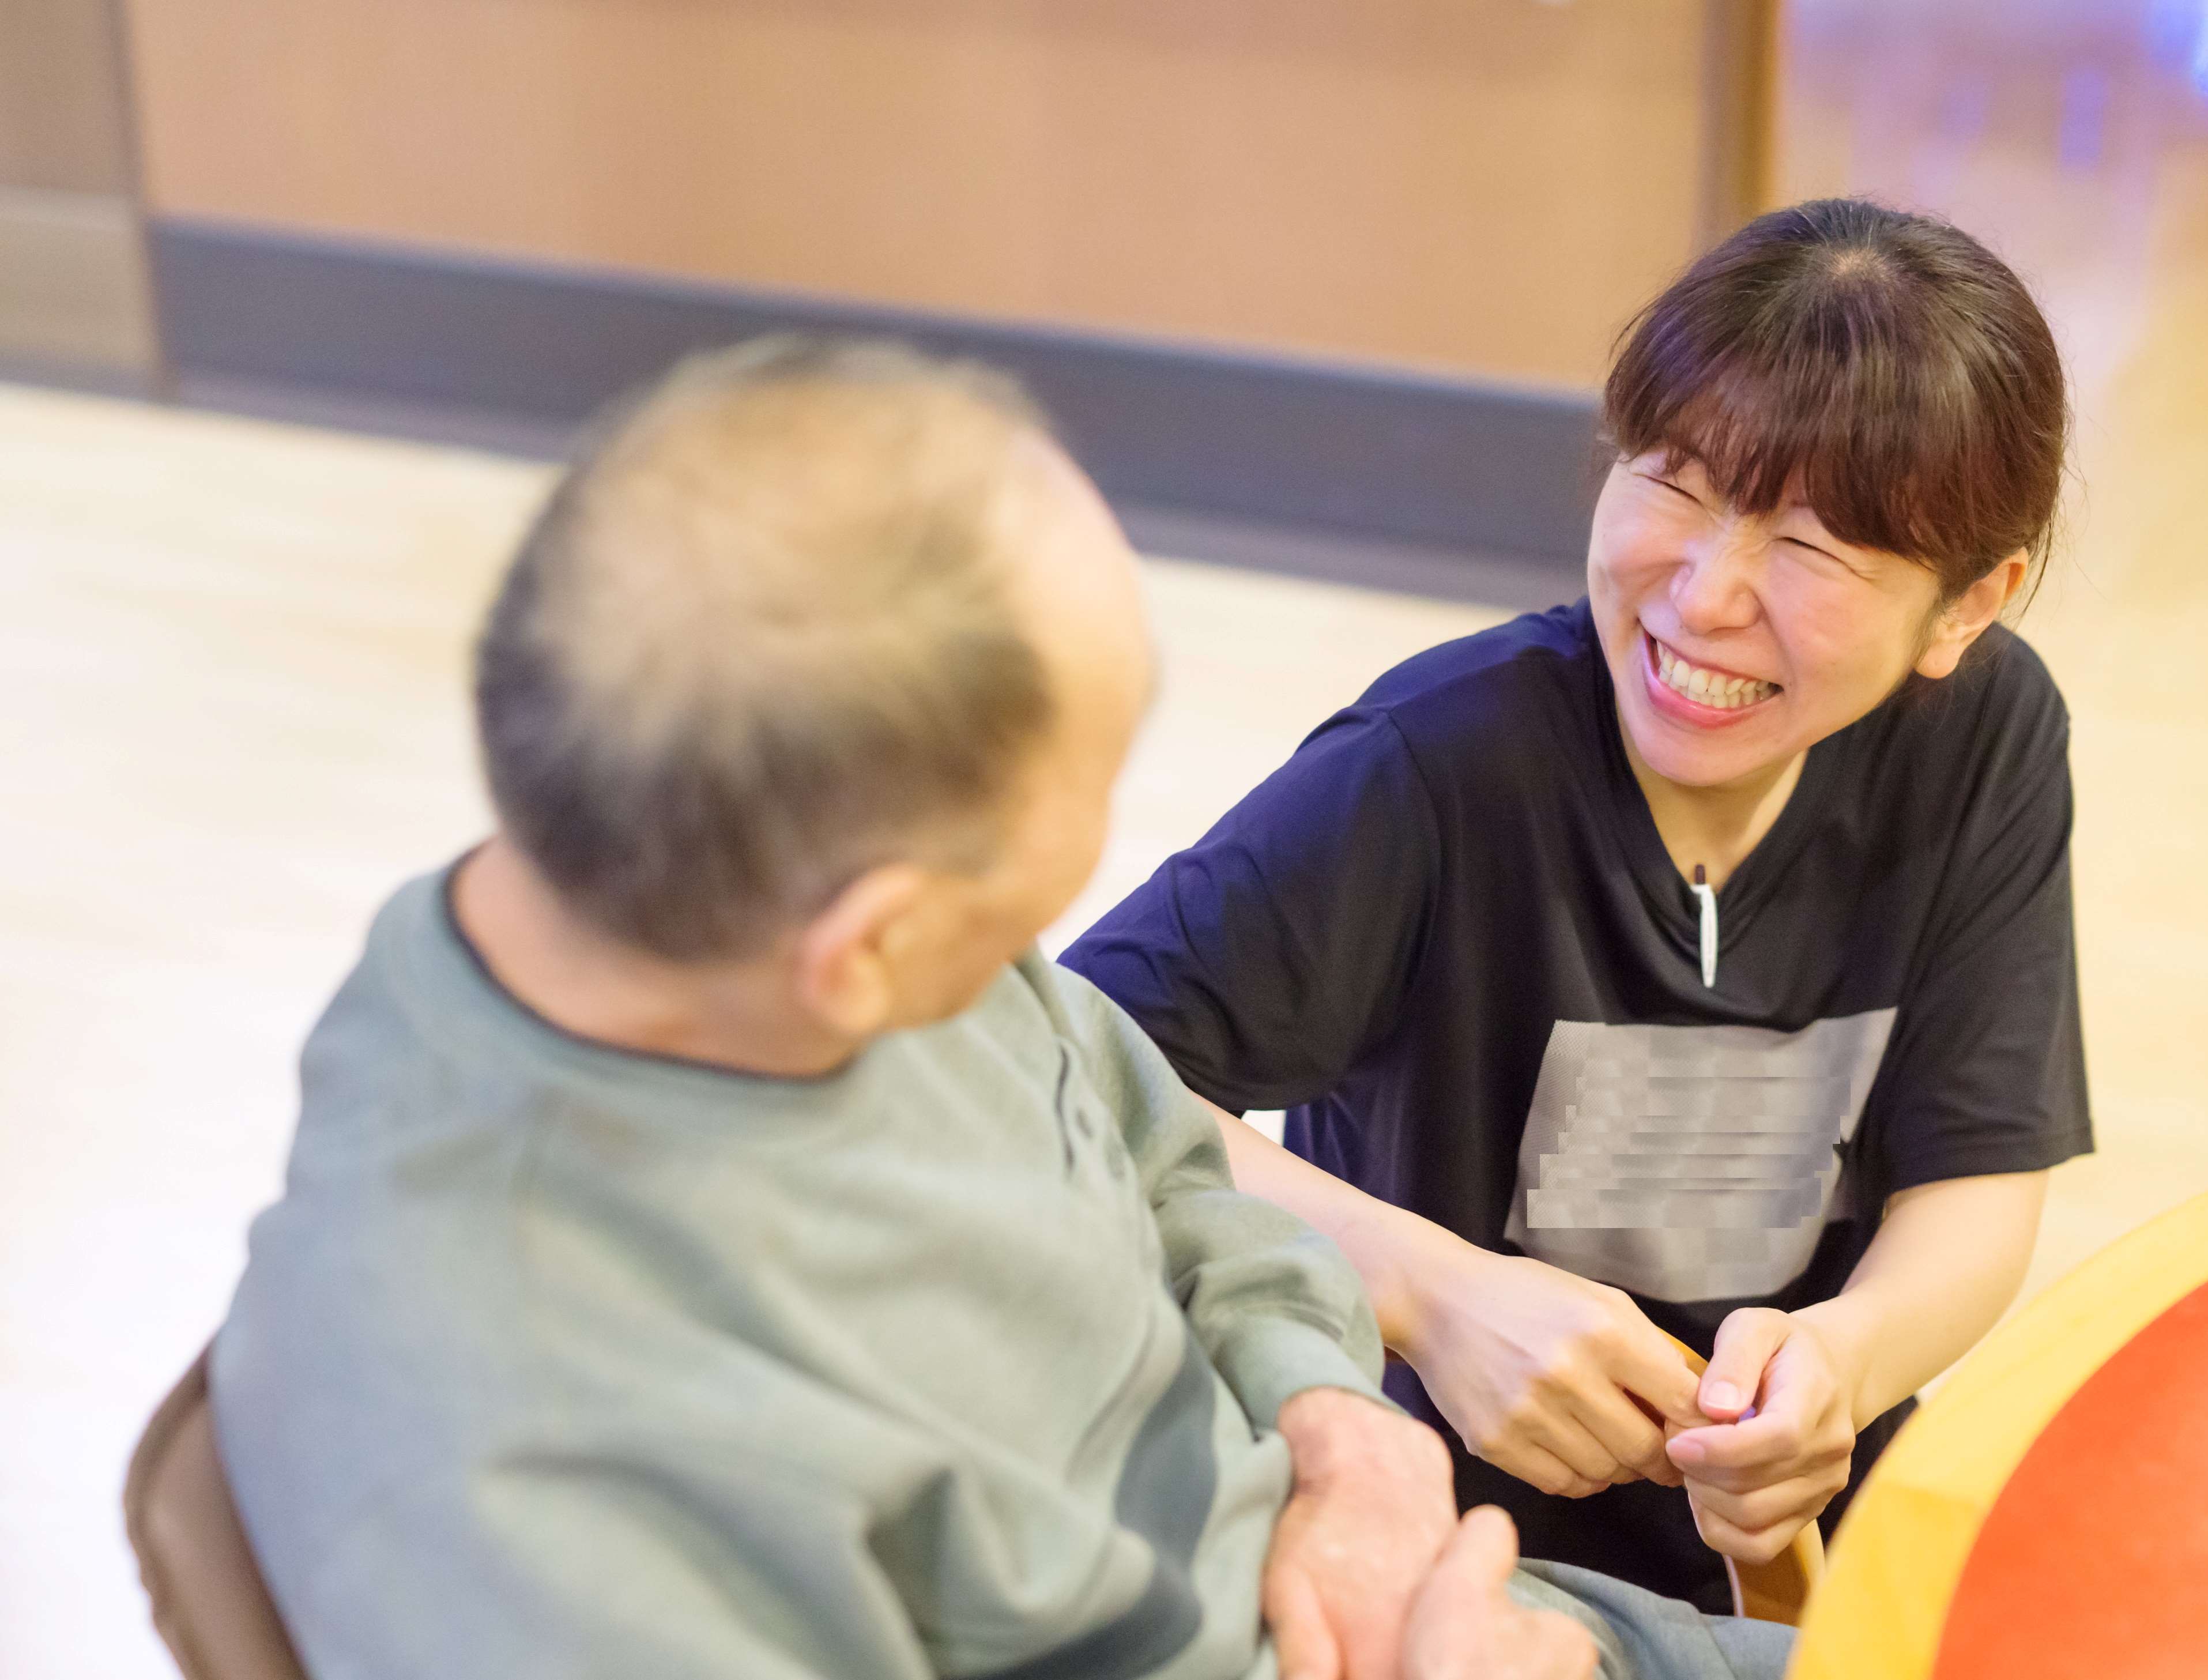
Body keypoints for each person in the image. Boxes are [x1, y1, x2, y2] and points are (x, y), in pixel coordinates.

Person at [209, 338, 1793, 1680]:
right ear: (873, 950)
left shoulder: (688, 895)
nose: (1053, 934)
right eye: (1067, 830)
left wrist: (1328, 1409)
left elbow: (1147, 1140)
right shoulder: (526, 1486)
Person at [1062, 198, 2094, 1611]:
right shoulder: (1440, 761)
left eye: (1814, 548)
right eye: (1674, 480)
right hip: (1428, 1539)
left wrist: (1845, 1361)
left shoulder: (1985, 739)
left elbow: (1976, 1171)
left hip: (1783, 1544)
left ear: (1972, 606)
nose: (1706, 594)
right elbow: (1054, 1071)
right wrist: (1428, 1293)